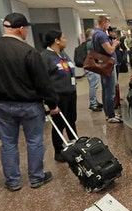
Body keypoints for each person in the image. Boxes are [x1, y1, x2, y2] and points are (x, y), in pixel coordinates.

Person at [0, 12, 58, 191]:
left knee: (8, 143)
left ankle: (13, 181)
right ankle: (36, 177)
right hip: (30, 105)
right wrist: (52, 104)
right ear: (21, 29)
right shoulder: (28, 51)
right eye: (26, 29)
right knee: (35, 141)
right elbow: (42, 82)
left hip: (2, 106)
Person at [40, 30, 77, 163]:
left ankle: (75, 144)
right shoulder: (45, 57)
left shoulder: (62, 54)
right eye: (64, 38)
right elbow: (43, 80)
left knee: (71, 120)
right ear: (56, 40)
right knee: (59, 123)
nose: (66, 40)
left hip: (71, 93)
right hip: (58, 95)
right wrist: (49, 101)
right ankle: (58, 150)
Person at [92, 16, 121, 123]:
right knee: (110, 91)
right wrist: (114, 44)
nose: (108, 26)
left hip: (103, 64)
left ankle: (108, 113)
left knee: (105, 90)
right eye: (107, 23)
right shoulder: (101, 34)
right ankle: (111, 115)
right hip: (108, 64)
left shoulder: (95, 34)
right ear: (103, 22)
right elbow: (109, 50)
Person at [84, 28, 102, 112]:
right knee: (93, 86)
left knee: (94, 85)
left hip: (90, 66)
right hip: (92, 66)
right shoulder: (90, 43)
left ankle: (94, 101)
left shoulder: (87, 43)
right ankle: (93, 104)